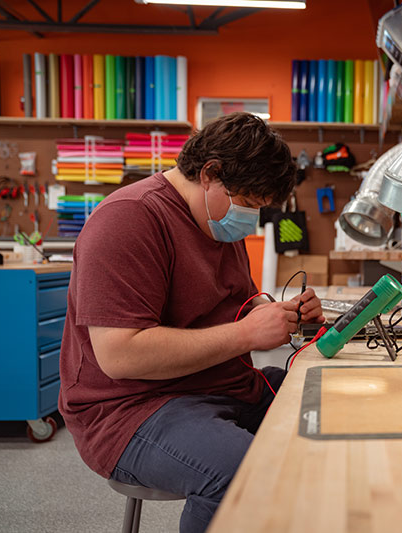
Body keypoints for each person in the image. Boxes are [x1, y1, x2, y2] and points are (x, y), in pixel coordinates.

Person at [59, 112, 324, 533]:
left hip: (220, 386)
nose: (249, 219)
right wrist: (246, 334)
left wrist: (282, 315)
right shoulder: (128, 220)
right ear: (210, 174)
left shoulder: (219, 226)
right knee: (240, 472)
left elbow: (233, 310)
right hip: (131, 410)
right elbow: (120, 355)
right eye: (248, 204)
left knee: (326, 411)